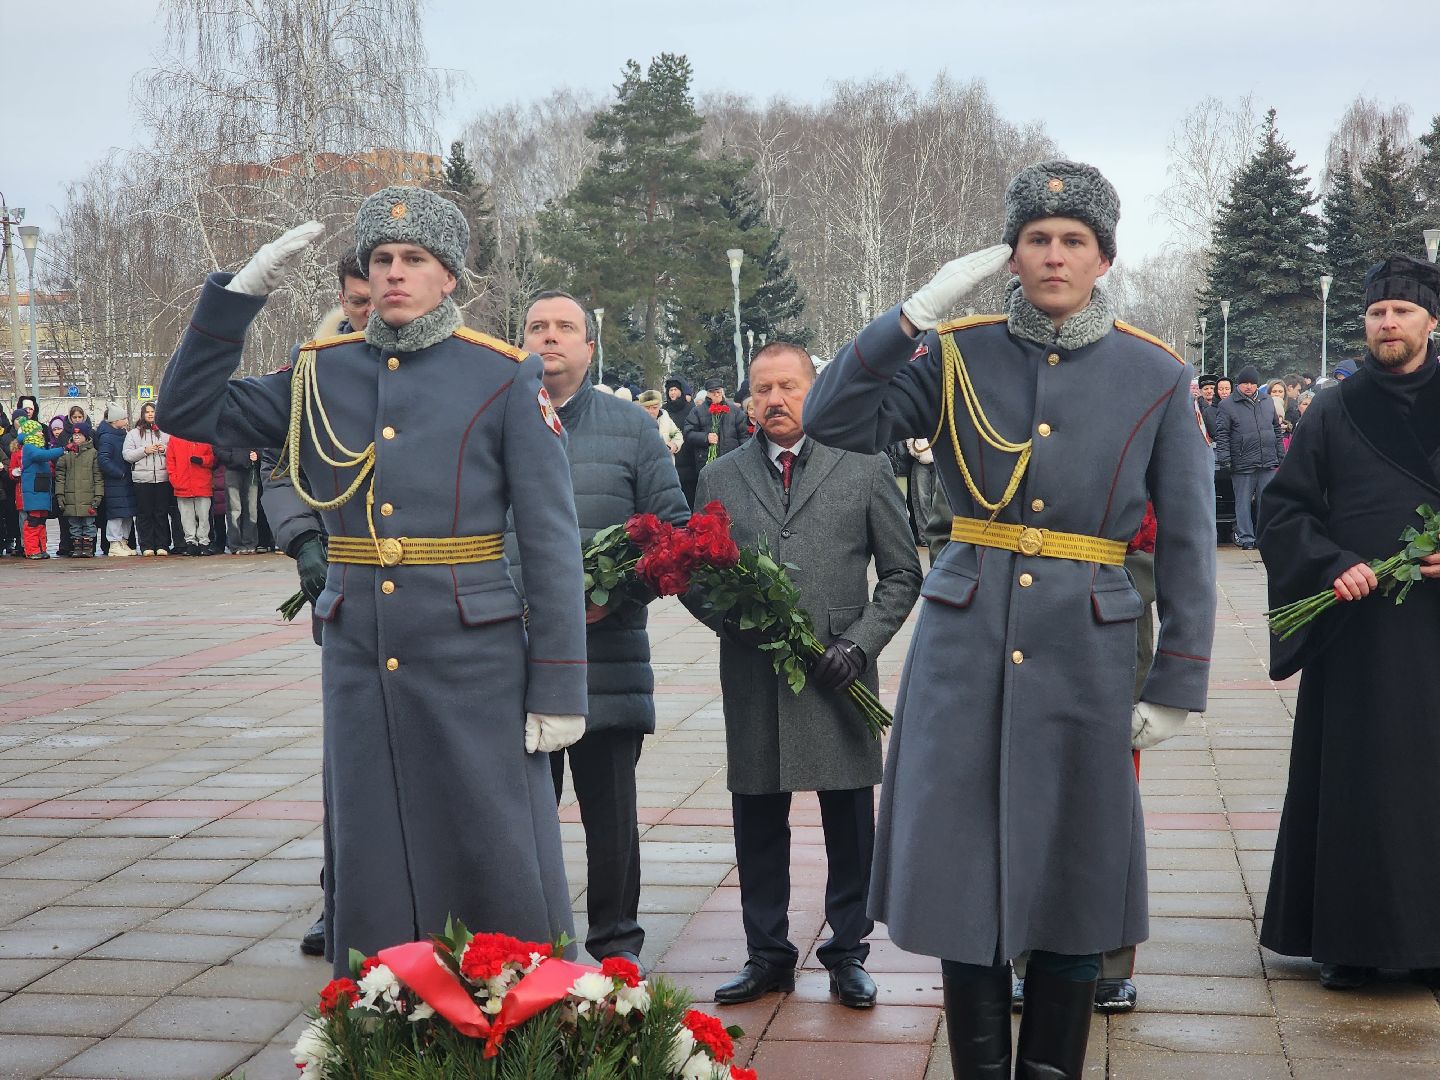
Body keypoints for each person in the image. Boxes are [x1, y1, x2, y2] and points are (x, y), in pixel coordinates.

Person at [802, 160, 1217, 1078]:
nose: (1055, 255)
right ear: (1012, 254)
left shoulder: (1156, 373)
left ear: (1104, 258)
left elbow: (1189, 539)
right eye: (1037, 238)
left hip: (1089, 647)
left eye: (1075, 241)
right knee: (962, 871)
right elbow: (832, 418)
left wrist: (1178, 677)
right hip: (967, 638)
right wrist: (913, 313)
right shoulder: (957, 352)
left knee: (1078, 870)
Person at [156, 186, 588, 976]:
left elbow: (554, 541)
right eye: (381, 260)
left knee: (490, 838)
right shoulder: (321, 373)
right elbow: (186, 409)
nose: (394, 274)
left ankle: (515, 1007)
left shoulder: (501, 376)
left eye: (414, 260)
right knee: (373, 841)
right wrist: (237, 296)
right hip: (362, 650)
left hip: (474, 654)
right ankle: (382, 1008)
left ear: (448, 276)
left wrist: (559, 683)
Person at [691, 342, 921, 1010]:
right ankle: (767, 954)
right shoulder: (721, 477)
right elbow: (697, 573)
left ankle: (847, 952)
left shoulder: (864, 466)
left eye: (788, 386)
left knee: (850, 818)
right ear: (747, 401)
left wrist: (861, 644)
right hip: (758, 676)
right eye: (761, 390)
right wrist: (732, 622)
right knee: (758, 819)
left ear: (816, 391)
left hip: (836, 674)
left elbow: (903, 573)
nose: (774, 400)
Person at [1258, 255, 1440, 991]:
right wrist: (1331, 561)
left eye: (1401, 311)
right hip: (1360, 635)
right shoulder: (1334, 407)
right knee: (1358, 782)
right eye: (1376, 313)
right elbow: (1283, 509)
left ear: (1432, 320)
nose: (1387, 323)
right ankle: (1349, 940)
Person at [516, 290, 689, 969]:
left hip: (605, 658)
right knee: (524, 814)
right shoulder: (488, 423)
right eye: (537, 327)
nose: (550, 338)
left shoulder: (631, 429)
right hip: (514, 656)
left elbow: (673, 533)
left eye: (565, 328)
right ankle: (530, 947)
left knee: (610, 817)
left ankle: (617, 946)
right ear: (519, 340)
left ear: (590, 347)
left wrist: (616, 592)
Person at [259, 250, 370, 956]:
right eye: (355, 299)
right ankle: (343, 899)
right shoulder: (317, 374)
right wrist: (305, 539)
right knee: (348, 767)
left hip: (440, 603)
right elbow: (283, 471)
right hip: (349, 599)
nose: (369, 309)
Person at [1213, 364, 1285, 550]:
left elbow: (1275, 429)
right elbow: (1222, 434)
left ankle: (1263, 535)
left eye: (1252, 383)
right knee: (1243, 502)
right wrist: (1225, 459)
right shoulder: (1227, 405)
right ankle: (1246, 537)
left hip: (1267, 460)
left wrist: (1280, 454)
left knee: (1266, 500)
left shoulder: (1267, 401)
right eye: (1244, 383)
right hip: (1242, 462)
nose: (1248, 386)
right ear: (1238, 385)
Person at [124, 402, 172, 555]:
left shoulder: (165, 432)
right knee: (145, 513)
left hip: (162, 478)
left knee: (161, 513)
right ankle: (147, 545)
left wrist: (165, 449)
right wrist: (144, 450)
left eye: (153, 412)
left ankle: (163, 545)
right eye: (148, 412)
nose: (150, 414)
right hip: (142, 479)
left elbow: (175, 451)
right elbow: (127, 455)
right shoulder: (134, 433)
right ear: (143, 414)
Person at [16, 418, 65, 559]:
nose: (41, 433)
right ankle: (32, 550)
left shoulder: (37, 446)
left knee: (41, 521)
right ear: (31, 432)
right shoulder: (30, 447)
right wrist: (62, 449)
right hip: (34, 489)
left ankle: (41, 548)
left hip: (40, 488)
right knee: (33, 520)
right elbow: (42, 456)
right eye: (38, 431)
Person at [54, 426, 103, 558]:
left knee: (89, 524)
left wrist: (98, 495)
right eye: (75, 435)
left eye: (80, 435)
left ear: (86, 437)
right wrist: (60, 495)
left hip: (89, 497)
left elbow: (98, 476)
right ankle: (77, 546)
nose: (76, 437)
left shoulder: (93, 453)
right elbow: (60, 476)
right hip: (71, 498)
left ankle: (88, 547)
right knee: (74, 525)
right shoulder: (67, 454)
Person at [95, 406, 137, 556]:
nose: (126, 421)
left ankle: (123, 541)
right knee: (116, 514)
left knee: (127, 513)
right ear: (115, 420)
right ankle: (114, 543)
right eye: (124, 418)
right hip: (116, 481)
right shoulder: (107, 436)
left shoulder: (122, 434)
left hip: (125, 480)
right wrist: (119, 473)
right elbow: (103, 459)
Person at [166, 434, 216, 556]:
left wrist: (202, 460)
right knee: (186, 516)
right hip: (182, 482)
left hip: (202, 482)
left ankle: (204, 541)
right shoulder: (174, 438)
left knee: (203, 515)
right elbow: (170, 460)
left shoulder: (204, 436)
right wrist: (175, 479)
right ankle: (190, 542)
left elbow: (213, 459)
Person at [683, 378, 743, 476]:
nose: (716, 394)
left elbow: (743, 436)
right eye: (713, 392)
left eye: (718, 391)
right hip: (707, 462)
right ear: (707, 393)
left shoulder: (734, 411)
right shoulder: (697, 412)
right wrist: (705, 437)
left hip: (732, 461)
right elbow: (688, 433)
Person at [217, 446, 261, 553]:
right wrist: (233, 458)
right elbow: (218, 449)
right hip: (232, 470)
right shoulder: (226, 429)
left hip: (251, 470)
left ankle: (250, 542)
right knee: (234, 510)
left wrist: (258, 454)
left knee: (251, 509)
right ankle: (235, 544)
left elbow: (261, 445)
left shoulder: (251, 429)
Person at [662, 377, 697, 506]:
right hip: (670, 458)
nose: (672, 393)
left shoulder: (690, 408)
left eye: (675, 389)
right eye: (670, 390)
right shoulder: (664, 411)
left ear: (681, 391)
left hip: (687, 458)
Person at [637, 389, 683, 455]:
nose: (651, 411)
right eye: (647, 408)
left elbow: (676, 433)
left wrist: (674, 444)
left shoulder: (665, 417)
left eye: (654, 408)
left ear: (659, 406)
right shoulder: (635, 422)